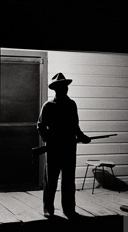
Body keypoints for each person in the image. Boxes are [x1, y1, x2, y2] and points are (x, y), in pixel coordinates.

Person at [37, 72, 91, 219]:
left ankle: (69, 210)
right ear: (55, 89)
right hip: (54, 149)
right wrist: (48, 139)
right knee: (51, 181)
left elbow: (75, 126)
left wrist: (82, 137)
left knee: (68, 181)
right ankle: (48, 209)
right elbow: (40, 125)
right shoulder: (48, 106)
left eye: (65, 86)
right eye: (61, 86)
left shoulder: (71, 105)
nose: (64, 89)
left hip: (69, 148)